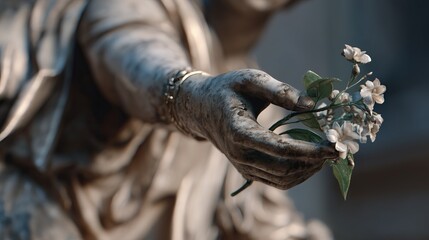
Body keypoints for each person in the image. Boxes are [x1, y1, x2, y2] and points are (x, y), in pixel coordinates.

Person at [0, 0, 337, 239]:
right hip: (30, 203)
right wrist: (197, 98)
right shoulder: (149, 7)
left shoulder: (265, 111)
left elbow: (258, 218)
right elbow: (130, 52)